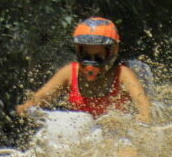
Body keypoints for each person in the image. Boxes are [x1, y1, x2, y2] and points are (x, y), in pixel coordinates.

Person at [16, 17, 152, 124]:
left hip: (117, 138)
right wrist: (26, 107)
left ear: (113, 51)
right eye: (86, 56)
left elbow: (142, 105)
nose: (91, 63)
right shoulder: (69, 73)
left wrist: (143, 117)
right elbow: (42, 97)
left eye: (99, 57)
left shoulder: (123, 75)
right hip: (81, 137)